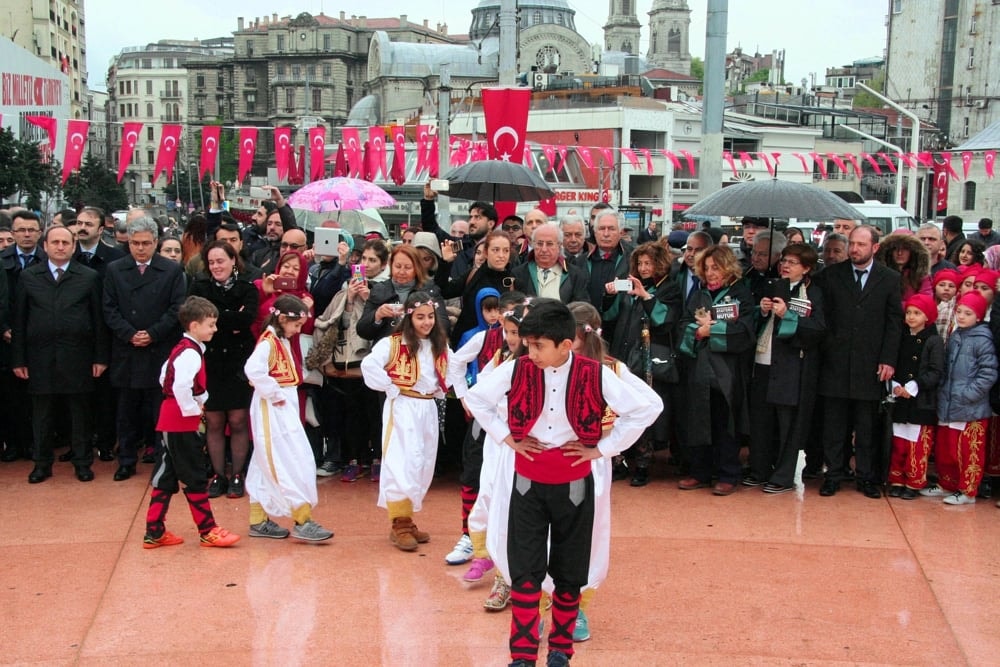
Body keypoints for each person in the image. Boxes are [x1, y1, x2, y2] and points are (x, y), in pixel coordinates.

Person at [464, 299, 660, 667]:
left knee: (570, 573)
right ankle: (521, 656)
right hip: (527, 482)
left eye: (539, 345)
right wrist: (508, 437)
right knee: (525, 573)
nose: (530, 353)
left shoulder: (596, 373)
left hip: (575, 485)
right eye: (527, 343)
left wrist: (603, 449)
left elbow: (647, 408)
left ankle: (560, 653)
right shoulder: (515, 369)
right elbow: (477, 398)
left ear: (565, 345)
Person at [12, 225, 109, 484]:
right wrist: (18, 359)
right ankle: (42, 464)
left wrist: (100, 357)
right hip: (39, 357)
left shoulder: (88, 277)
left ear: (74, 246)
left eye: (65, 242)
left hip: (78, 356)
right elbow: (19, 321)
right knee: (42, 415)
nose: (60, 247)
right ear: (45, 246)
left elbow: (98, 320)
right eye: (54, 242)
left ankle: (82, 462)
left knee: (80, 414)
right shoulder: (29, 277)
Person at [143, 296, 241, 549]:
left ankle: (154, 530)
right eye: (211, 324)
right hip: (180, 420)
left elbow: (164, 375)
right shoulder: (191, 353)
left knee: (166, 475)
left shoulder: (182, 348)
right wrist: (193, 408)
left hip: (169, 417)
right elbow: (179, 385)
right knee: (195, 475)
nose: (215, 329)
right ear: (194, 325)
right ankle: (207, 530)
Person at [815, 225, 902, 498]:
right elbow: (822, 317)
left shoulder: (889, 279)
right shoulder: (830, 276)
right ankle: (834, 474)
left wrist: (888, 359)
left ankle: (866, 476)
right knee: (834, 425)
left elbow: (894, 322)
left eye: (861, 245)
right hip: (836, 363)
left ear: (875, 247)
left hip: (870, 364)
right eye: (852, 243)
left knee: (866, 425)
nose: (854, 249)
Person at [361, 291, 453, 552]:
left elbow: (454, 367)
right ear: (409, 317)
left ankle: (408, 519)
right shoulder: (393, 343)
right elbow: (370, 366)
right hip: (402, 406)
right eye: (420, 317)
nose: (426, 323)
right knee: (401, 461)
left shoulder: (440, 344)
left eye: (430, 317)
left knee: (421, 463)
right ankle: (398, 523)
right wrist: (390, 387)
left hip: (427, 408)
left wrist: (443, 388)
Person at [244, 294, 335, 541]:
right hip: (273, 409)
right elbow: (253, 370)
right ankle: (302, 519)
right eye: (295, 325)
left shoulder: (278, 340)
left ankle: (258, 519)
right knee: (287, 461)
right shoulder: (268, 343)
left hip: (282, 407)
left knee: (265, 463)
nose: (297, 331)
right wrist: (273, 394)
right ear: (282, 318)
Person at [104, 216, 187, 481]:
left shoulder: (171, 270)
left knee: (158, 410)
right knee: (125, 411)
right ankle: (126, 460)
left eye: (146, 243)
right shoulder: (115, 269)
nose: (140, 249)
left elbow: (177, 308)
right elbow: (109, 308)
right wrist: (130, 334)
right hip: (126, 349)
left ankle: (162, 463)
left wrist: (152, 334)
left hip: (158, 349)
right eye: (135, 243)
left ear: (155, 243)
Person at [744, 243, 826, 493]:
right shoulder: (770, 285)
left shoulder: (813, 293)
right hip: (763, 360)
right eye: (784, 261)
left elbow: (818, 329)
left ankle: (782, 476)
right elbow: (752, 318)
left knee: (788, 424)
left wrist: (787, 315)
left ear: (806, 268)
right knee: (761, 421)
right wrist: (763, 310)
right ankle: (759, 469)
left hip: (792, 365)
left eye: (792, 262)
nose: (785, 265)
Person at [677, 245, 755, 496]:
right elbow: (684, 324)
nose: (711, 273)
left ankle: (728, 474)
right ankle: (699, 471)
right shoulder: (698, 295)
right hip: (700, 369)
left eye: (716, 267)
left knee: (725, 423)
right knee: (699, 420)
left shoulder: (740, 294)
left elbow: (745, 331)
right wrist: (698, 331)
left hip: (727, 371)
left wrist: (715, 330)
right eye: (707, 268)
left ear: (728, 267)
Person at [309, 238, 390, 478]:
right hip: (346, 359)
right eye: (364, 259)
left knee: (374, 413)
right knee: (351, 412)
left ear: (383, 264)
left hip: (371, 359)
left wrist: (369, 299)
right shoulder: (346, 288)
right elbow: (338, 323)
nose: (367, 263)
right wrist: (350, 299)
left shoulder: (385, 289)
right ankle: (354, 458)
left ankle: (376, 457)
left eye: (373, 260)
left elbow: (383, 326)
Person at [606, 241, 682, 486]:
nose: (644, 267)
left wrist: (646, 296)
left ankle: (642, 464)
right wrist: (608, 297)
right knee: (619, 409)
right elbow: (611, 316)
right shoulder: (630, 286)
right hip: (625, 354)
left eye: (648, 263)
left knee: (643, 411)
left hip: (648, 360)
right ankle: (618, 461)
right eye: (640, 263)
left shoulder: (669, 288)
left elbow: (665, 321)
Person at [188, 240, 258, 499]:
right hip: (211, 362)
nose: (216, 266)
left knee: (238, 420)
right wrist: (231, 317)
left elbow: (247, 318)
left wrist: (217, 318)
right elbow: (194, 320)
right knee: (215, 421)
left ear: (233, 260)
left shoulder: (247, 287)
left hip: (239, 363)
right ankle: (218, 474)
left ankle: (238, 474)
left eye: (221, 260)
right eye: (212, 262)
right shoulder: (199, 287)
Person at [921, 292, 997, 504]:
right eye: (959, 312)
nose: (961, 316)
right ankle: (948, 484)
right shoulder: (956, 336)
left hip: (970, 408)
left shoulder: (982, 339)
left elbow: (988, 372)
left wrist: (968, 394)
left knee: (968, 450)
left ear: (979, 317)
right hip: (949, 403)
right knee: (947, 449)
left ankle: (968, 490)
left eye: (968, 313)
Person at [886, 294, 944, 500]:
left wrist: (913, 386)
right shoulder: (902, 336)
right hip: (900, 397)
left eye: (917, 313)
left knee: (917, 445)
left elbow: (935, 371)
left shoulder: (933, 340)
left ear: (927, 316)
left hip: (921, 400)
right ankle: (896, 479)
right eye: (909, 312)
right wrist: (895, 386)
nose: (911, 317)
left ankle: (914, 481)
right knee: (899, 443)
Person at [357, 244, 449, 343]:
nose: (401, 272)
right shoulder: (379, 290)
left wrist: (420, 316)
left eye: (407, 267)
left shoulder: (429, 290)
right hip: (387, 351)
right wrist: (377, 315)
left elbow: (444, 326)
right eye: (397, 266)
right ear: (390, 266)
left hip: (419, 348)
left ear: (417, 268)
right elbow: (362, 331)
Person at [509, 223, 589, 302]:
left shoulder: (575, 275)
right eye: (540, 244)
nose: (544, 249)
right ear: (533, 245)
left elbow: (581, 308)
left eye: (549, 244)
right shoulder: (519, 273)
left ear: (559, 246)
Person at [875, 231, 932, 300]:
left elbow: (925, 300)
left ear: (913, 251)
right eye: (895, 248)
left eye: (905, 249)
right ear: (889, 251)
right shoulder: (880, 275)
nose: (900, 253)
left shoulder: (921, 275)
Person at [932, 269, 959, 342]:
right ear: (935, 287)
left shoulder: (957, 308)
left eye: (951, 286)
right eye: (942, 285)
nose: (946, 288)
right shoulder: (928, 306)